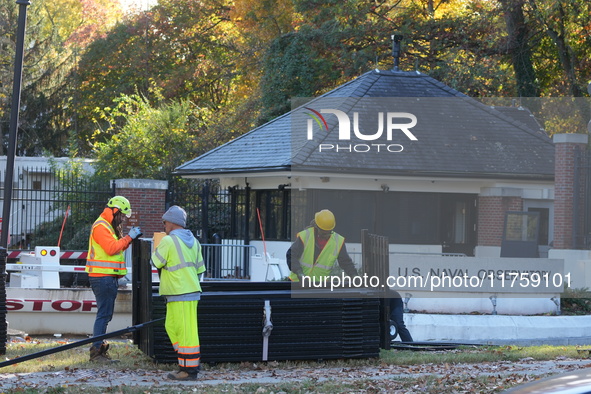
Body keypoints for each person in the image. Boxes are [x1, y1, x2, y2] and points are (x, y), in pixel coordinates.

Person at [151, 205, 205, 381]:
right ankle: (188, 362)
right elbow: (200, 269)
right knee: (173, 328)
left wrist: (156, 244)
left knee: (185, 332)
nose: (164, 225)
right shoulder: (194, 242)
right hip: (185, 292)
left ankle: (189, 370)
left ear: (172, 222)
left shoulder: (168, 241)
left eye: (165, 222)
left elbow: (155, 262)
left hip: (180, 292)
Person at [86, 196, 142, 363]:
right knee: (104, 315)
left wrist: (128, 240)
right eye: (122, 215)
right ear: (116, 211)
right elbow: (111, 248)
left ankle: (99, 350)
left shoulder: (106, 226)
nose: (123, 219)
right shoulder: (101, 226)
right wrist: (129, 237)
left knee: (105, 315)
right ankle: (97, 353)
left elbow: (116, 247)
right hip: (103, 277)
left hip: (106, 277)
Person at [286, 209, 358, 282]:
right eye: (323, 233)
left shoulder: (338, 241)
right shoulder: (306, 236)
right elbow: (291, 255)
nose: (326, 235)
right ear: (317, 227)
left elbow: (346, 262)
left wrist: (354, 276)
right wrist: (299, 273)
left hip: (319, 286)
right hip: (296, 283)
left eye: (329, 232)